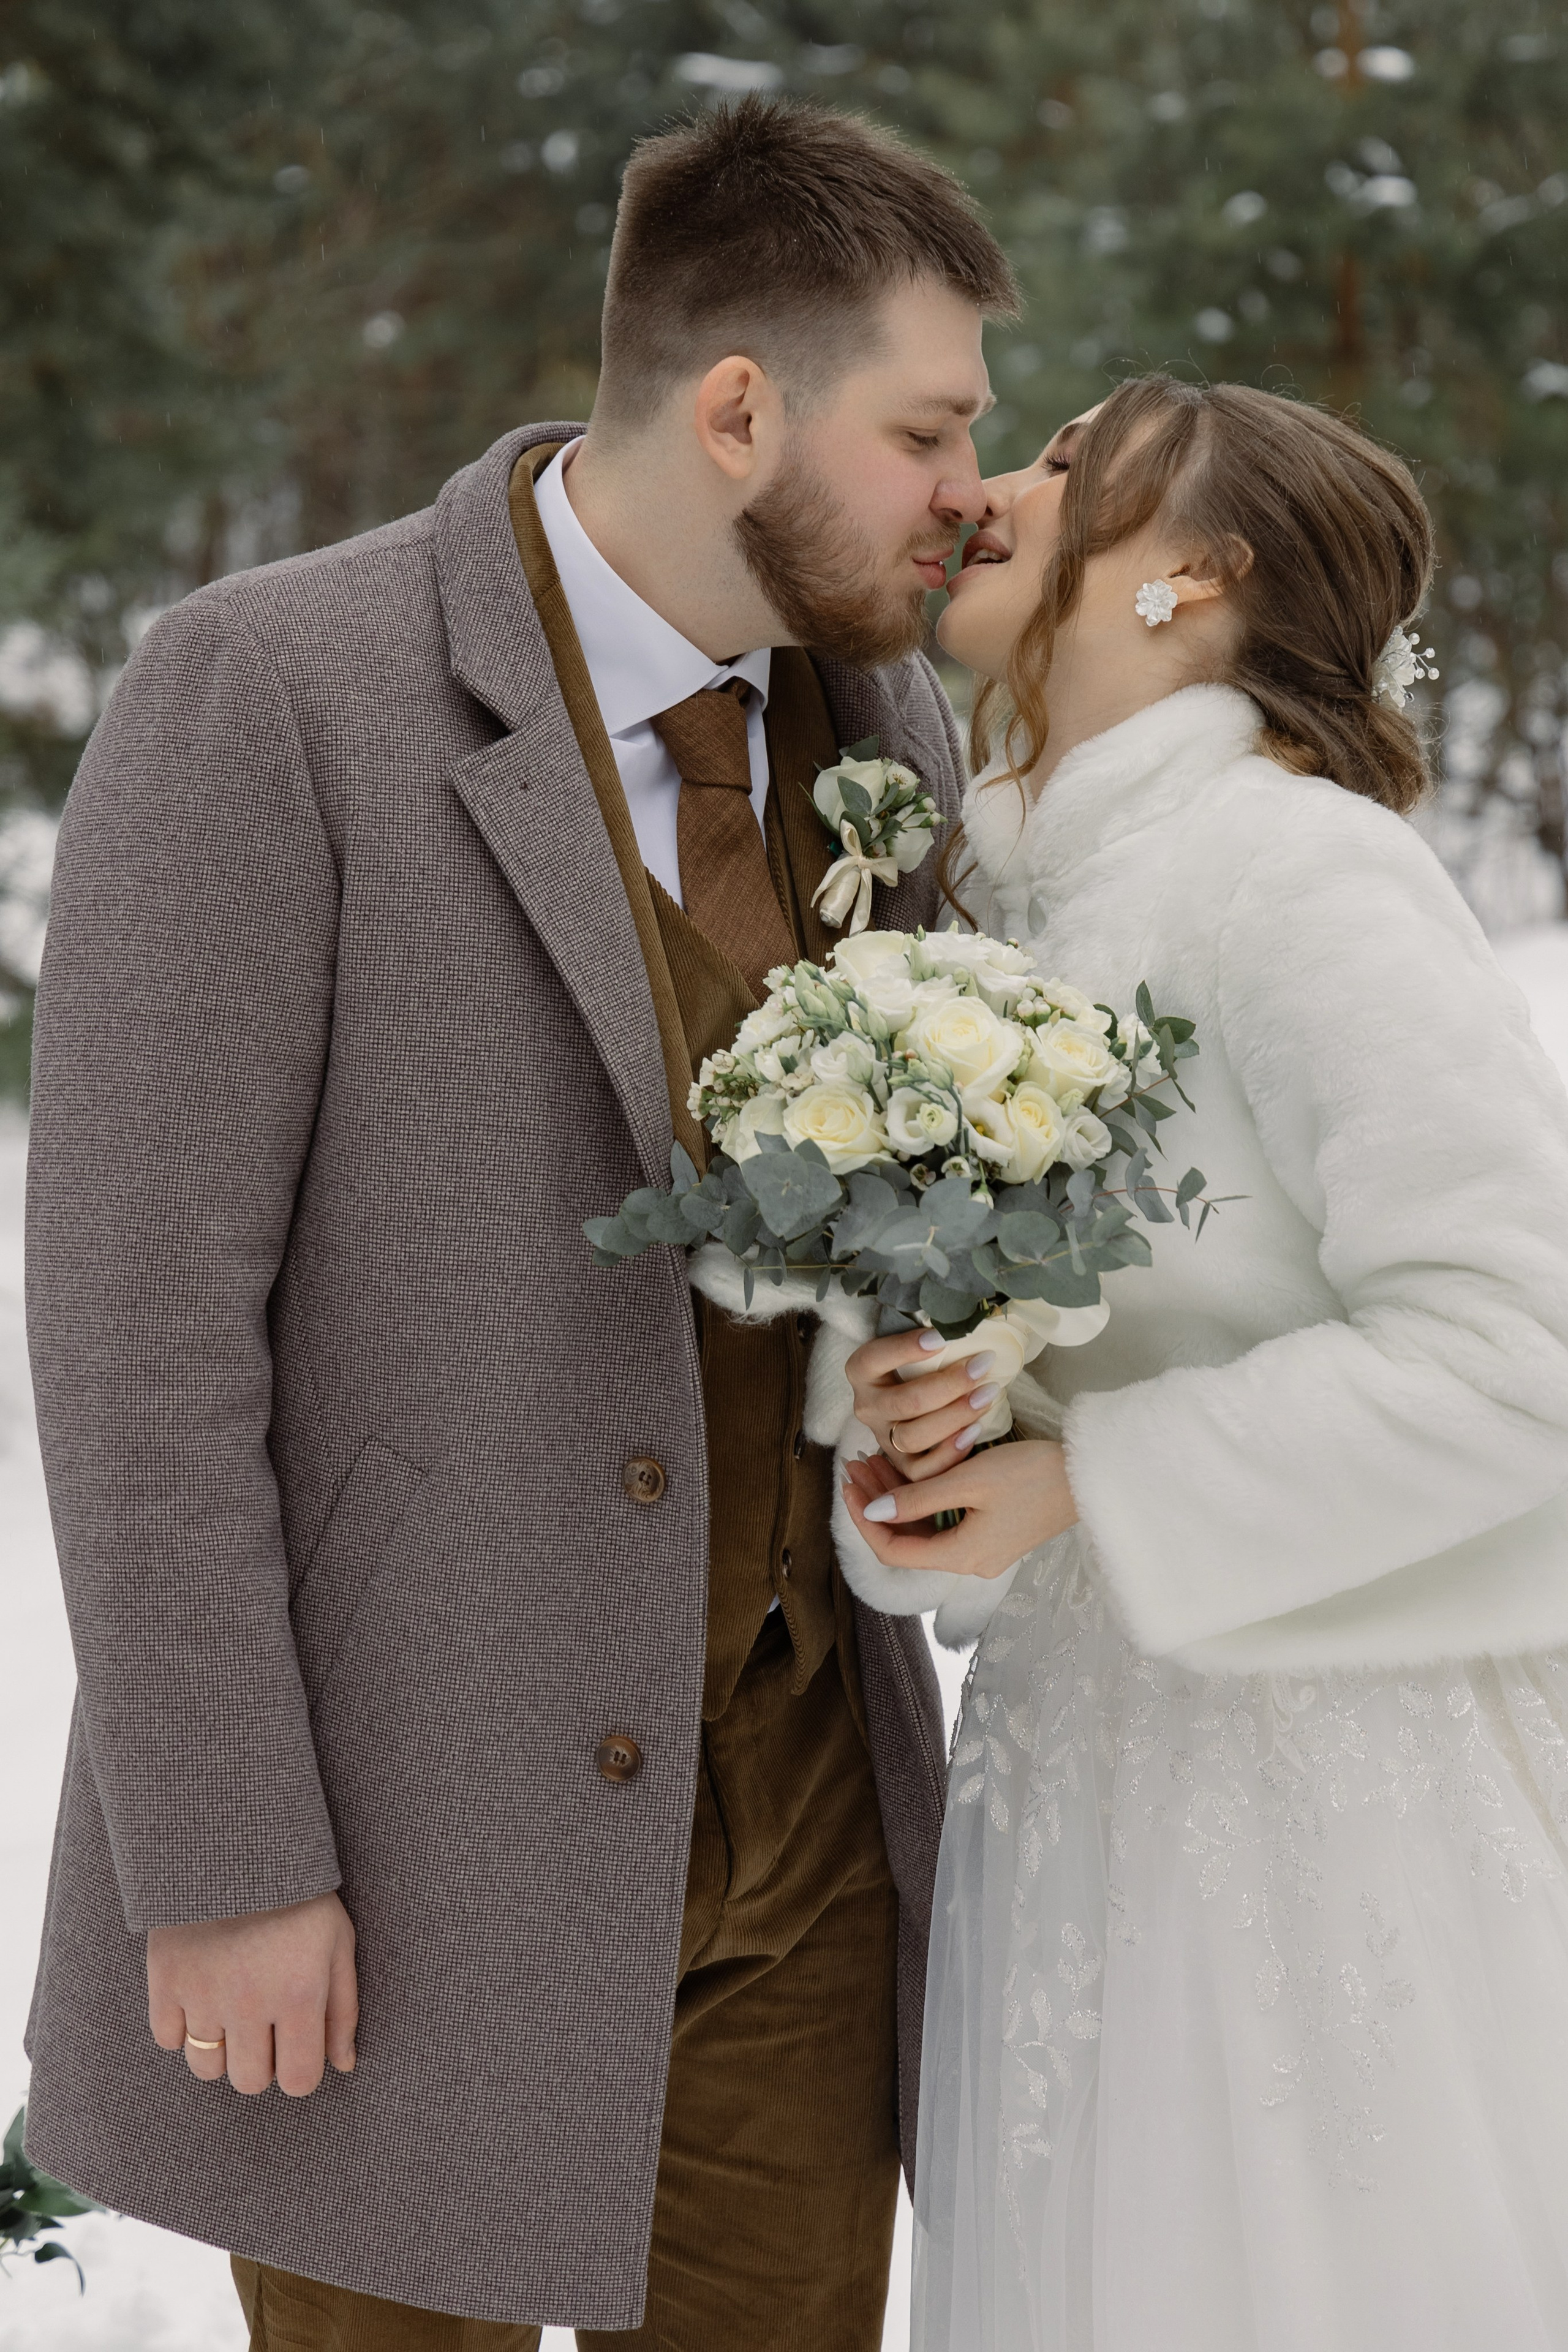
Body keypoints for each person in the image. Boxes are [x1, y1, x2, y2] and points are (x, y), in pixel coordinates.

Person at [23, 100, 1017, 2348]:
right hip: (401, 1854)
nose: (971, 488)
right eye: (928, 429)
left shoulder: (889, 728)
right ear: (739, 408)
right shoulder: (274, 689)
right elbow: (136, 1338)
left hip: (806, 1838)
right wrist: (230, 1860)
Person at [842, 376, 1568, 2350]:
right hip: (1082, 1784)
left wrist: (1096, 1479)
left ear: (1194, 574)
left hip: (1328, 1804)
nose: (1002, 486)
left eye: (1072, 461)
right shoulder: (1000, 907)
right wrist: (931, 1427)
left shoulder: (1303, 873)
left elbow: (1519, 1346)